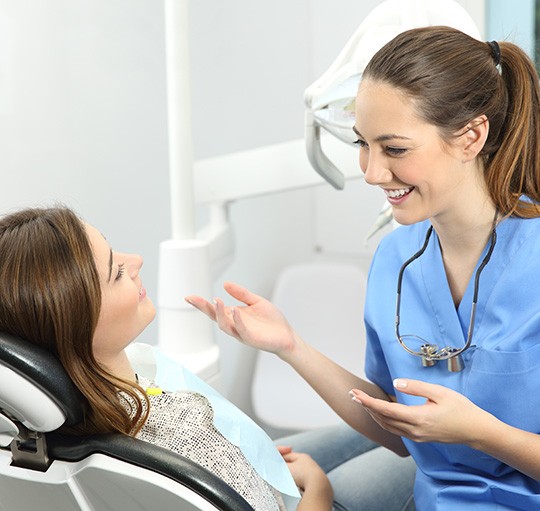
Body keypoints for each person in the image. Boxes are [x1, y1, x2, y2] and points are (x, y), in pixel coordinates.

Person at [186, 25, 540, 510]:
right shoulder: (397, 260)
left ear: (471, 137)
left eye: (395, 149)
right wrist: (290, 347)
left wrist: (482, 434)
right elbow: (400, 430)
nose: (372, 173)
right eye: (363, 144)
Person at [0, 206, 333, 511]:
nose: (137, 261)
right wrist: (319, 487)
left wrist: (243, 458)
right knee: (381, 449)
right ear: (77, 326)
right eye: (116, 272)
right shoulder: (187, 434)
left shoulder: (33, 436)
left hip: (244, 466)